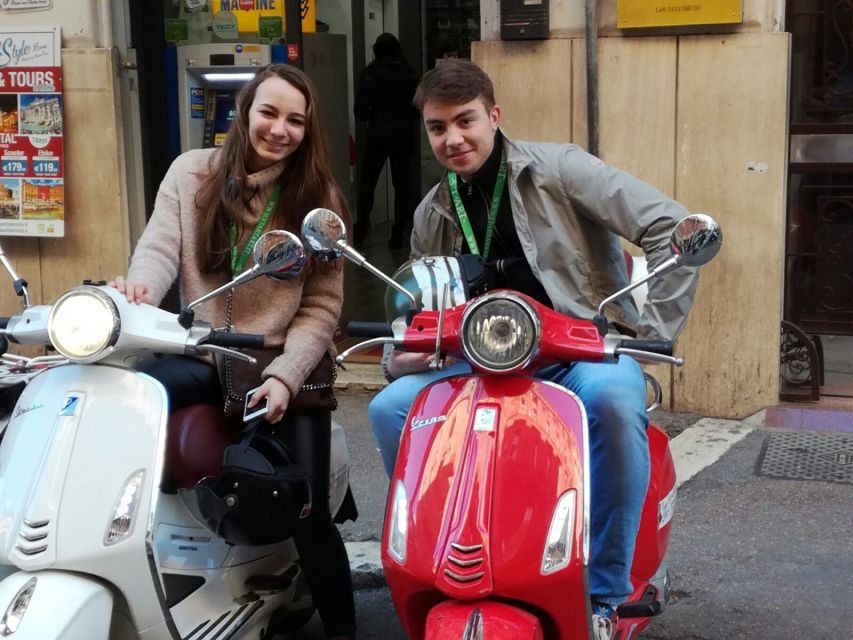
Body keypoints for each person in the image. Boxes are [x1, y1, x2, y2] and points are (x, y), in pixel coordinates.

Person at [368, 59, 699, 640]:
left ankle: (607, 589)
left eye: (465, 120)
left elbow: (672, 228)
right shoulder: (431, 214)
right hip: (480, 360)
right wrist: (406, 353)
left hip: (580, 352)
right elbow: (422, 308)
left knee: (616, 404)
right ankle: (441, 555)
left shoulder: (561, 169)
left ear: (494, 116)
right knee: (392, 408)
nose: (453, 139)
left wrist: (649, 336)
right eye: (437, 127)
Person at [110, 64, 356, 640]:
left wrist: (287, 377)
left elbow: (321, 309)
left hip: (279, 362)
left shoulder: (318, 200)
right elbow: (158, 249)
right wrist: (139, 289)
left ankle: (344, 630)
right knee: (131, 392)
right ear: (244, 112)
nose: (279, 129)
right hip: (205, 353)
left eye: (296, 120)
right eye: (269, 112)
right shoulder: (190, 172)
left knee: (310, 513)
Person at [353, 33, 419, 249]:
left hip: (378, 135)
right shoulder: (409, 74)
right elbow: (418, 109)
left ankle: (360, 231)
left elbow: (360, 111)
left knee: (367, 184)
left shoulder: (370, 73)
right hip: (403, 135)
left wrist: (375, 113)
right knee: (401, 185)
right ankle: (398, 234)